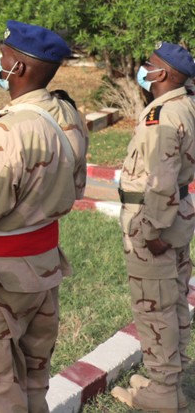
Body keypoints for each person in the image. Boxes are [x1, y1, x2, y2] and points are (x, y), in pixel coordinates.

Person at [0, 21, 88, 413]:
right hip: (43, 267)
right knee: (32, 380)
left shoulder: (10, 130)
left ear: (19, 70)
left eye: (4, 60)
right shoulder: (67, 114)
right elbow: (75, 188)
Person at [110, 42, 195, 412]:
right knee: (172, 302)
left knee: (154, 308)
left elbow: (160, 182)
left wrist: (151, 231)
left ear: (167, 74)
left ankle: (161, 392)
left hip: (158, 224)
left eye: (151, 64)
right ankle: (169, 385)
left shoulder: (163, 115)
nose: (145, 69)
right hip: (178, 218)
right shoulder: (185, 105)